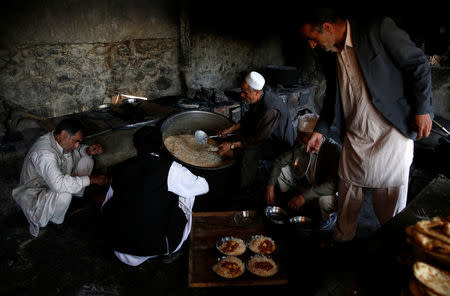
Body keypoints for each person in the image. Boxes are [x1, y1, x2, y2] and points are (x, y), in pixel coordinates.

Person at [298, 8, 433, 241]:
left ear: (328, 28)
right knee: (347, 201)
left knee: (389, 208)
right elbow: (333, 95)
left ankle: (390, 252)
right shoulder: (330, 53)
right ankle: (342, 247)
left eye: (313, 37)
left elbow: (418, 63)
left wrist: (422, 110)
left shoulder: (377, 29)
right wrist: (320, 131)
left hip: (391, 133)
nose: (312, 45)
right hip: (355, 135)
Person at [101, 126, 209, 266]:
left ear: (136, 147)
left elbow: (107, 204)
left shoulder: (119, 168)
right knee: (186, 194)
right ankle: (170, 252)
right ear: (161, 146)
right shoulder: (170, 168)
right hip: (154, 246)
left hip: (117, 244)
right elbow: (203, 187)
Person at [12, 118, 108, 237]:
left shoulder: (58, 139)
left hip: (52, 181)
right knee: (64, 193)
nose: (77, 145)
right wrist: (92, 180)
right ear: (63, 135)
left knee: (87, 160)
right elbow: (58, 185)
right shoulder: (45, 154)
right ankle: (57, 222)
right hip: (36, 193)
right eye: (75, 141)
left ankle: (69, 202)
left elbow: (76, 150)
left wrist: (87, 150)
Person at [217, 71, 296, 195]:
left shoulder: (270, 110)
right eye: (241, 91)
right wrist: (231, 129)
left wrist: (232, 145)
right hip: (265, 134)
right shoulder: (260, 97)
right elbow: (249, 118)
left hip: (278, 144)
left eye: (245, 93)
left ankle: (245, 189)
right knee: (239, 137)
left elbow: (258, 140)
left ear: (257, 92)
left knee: (248, 154)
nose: (242, 95)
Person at [265, 114, 341, 229]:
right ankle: (289, 202)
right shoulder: (301, 145)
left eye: (301, 136)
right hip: (306, 184)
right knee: (282, 170)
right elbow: (279, 161)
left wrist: (304, 197)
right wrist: (270, 187)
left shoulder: (333, 150)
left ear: (314, 137)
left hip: (324, 190)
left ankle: (328, 219)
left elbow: (332, 184)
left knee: (324, 201)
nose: (297, 139)